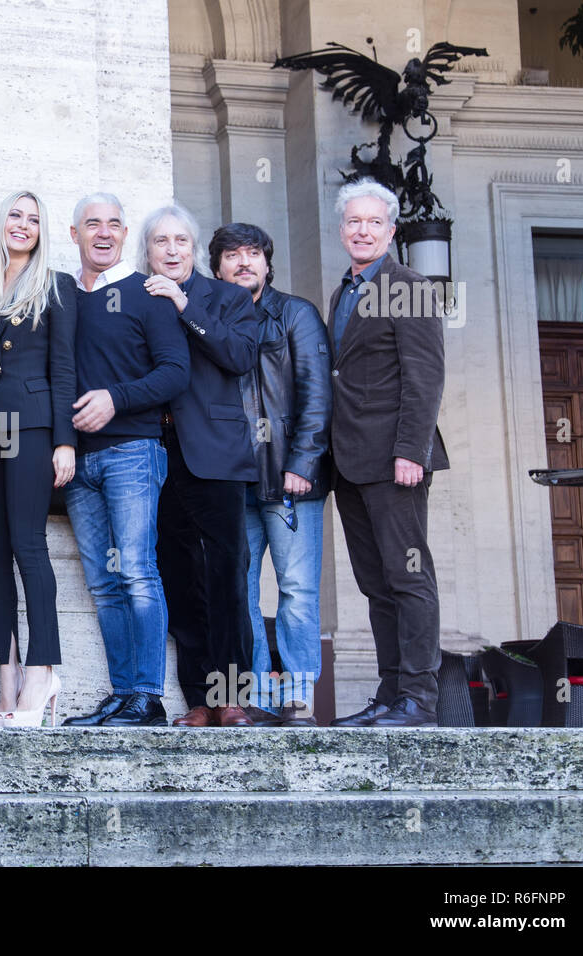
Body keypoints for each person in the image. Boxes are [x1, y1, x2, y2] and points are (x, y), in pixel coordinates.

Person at [59, 193, 190, 728]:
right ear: (75, 235)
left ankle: (148, 697)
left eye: (115, 224)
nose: (105, 233)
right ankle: (122, 695)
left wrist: (117, 397)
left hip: (133, 452)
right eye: (93, 224)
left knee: (137, 572)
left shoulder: (147, 294)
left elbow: (175, 372)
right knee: (104, 582)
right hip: (78, 464)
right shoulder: (63, 300)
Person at [326, 179, 449, 728]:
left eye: (374, 222)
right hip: (350, 461)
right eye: (354, 221)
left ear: (392, 231)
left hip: (396, 459)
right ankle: (390, 693)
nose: (363, 230)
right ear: (342, 228)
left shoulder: (410, 285)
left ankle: (420, 699)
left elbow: (425, 376)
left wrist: (410, 451)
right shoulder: (344, 292)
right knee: (375, 584)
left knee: (408, 577)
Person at [139, 204, 260, 729]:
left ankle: (232, 696)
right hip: (156, 456)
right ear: (147, 252)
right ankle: (199, 700)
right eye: (161, 242)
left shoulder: (228, 298)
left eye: (180, 241)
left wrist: (185, 305)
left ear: (193, 250)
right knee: (179, 577)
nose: (171, 250)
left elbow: (239, 356)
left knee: (227, 576)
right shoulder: (134, 299)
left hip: (215, 455)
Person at [211, 223, 332, 727]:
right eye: (233, 255)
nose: (244, 263)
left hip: (288, 482)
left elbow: (317, 392)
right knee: (238, 591)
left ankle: (299, 696)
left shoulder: (296, 314)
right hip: (232, 480)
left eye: (254, 254)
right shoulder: (211, 318)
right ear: (216, 266)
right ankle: (257, 696)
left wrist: (302, 463)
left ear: (267, 262)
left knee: (297, 590)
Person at [0, 191, 76, 727]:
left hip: (33, 427)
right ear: (0, 220)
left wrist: (65, 440)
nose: (24, 224)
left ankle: (43, 671)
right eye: (15, 213)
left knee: (29, 547)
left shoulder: (57, 286)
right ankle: (7, 685)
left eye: (34, 218)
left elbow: (64, 368)